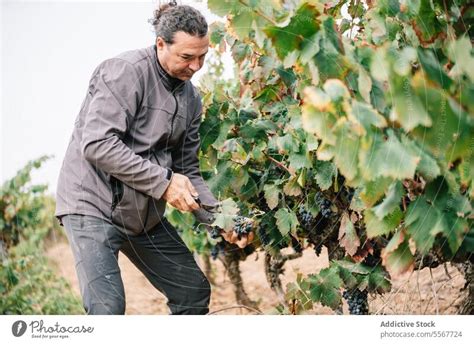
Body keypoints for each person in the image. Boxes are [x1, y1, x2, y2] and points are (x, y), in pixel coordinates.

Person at [54, 2, 253, 315]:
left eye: (203, 56)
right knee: (107, 308)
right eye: (187, 57)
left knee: (192, 290)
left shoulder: (191, 98)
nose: (196, 66)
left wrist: (221, 220)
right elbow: (97, 144)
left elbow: (187, 170)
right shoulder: (124, 72)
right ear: (161, 44)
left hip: (141, 214)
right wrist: (164, 184)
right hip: (91, 206)